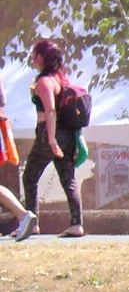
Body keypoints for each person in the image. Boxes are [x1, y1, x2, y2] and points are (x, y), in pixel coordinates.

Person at [20, 40, 83, 239]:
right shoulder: (61, 80)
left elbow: (51, 110)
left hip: (50, 132)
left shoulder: (45, 81)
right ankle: (77, 224)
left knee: (29, 177)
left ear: (41, 57)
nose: (32, 57)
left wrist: (51, 138)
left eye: (34, 54)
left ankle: (32, 222)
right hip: (67, 134)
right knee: (69, 180)